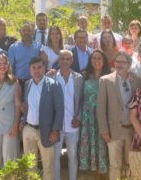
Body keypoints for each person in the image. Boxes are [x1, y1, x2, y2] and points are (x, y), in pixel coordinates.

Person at [97, 51, 141, 180]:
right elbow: (100, 108)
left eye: (123, 62)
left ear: (129, 64)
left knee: (131, 164)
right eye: (117, 62)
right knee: (115, 165)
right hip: (114, 130)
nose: (119, 64)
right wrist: (104, 130)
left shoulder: (136, 80)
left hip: (132, 131)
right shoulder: (105, 80)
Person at [21, 57, 64, 180]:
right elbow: (27, 105)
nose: (36, 71)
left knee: (48, 167)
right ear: (29, 70)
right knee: (30, 166)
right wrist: (23, 120)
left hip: (47, 131)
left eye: (39, 67)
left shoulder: (54, 85)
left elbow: (59, 110)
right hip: (28, 130)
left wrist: (55, 130)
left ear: (44, 68)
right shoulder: (27, 84)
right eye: (33, 68)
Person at [51, 50, 83, 180]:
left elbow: (82, 99)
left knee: (72, 155)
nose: (64, 61)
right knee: (55, 157)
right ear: (58, 61)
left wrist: (79, 118)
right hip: (56, 126)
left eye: (67, 59)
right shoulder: (51, 77)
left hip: (72, 124)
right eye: (62, 58)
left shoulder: (78, 78)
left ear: (72, 61)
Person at [78, 49, 111, 176]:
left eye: (99, 58)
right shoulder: (84, 75)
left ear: (104, 61)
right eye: (94, 58)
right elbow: (79, 97)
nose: (97, 61)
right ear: (90, 60)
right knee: (89, 140)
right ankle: (90, 169)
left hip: (103, 116)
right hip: (87, 116)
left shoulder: (109, 75)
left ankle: (102, 171)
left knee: (102, 141)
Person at [8, 22, 41, 88]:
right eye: (24, 30)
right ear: (20, 32)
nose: (26, 33)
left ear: (33, 32)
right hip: (18, 82)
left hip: (34, 82)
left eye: (29, 30)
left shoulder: (39, 47)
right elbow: (10, 67)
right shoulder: (13, 47)